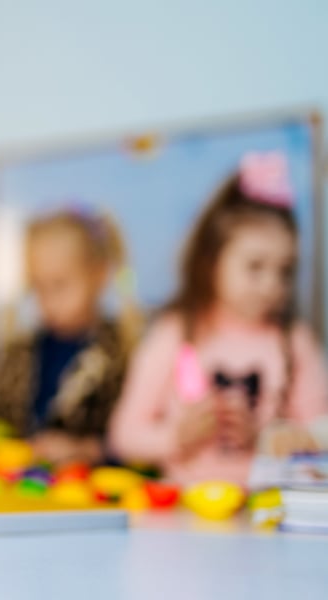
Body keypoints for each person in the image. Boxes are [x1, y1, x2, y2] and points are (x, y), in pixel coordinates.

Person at [108, 152, 328, 485]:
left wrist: (267, 438)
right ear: (212, 261)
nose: (272, 285)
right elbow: (123, 436)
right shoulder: (175, 331)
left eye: (285, 271)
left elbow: (319, 434)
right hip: (182, 514)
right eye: (255, 267)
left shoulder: (295, 339)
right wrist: (176, 437)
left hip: (267, 511)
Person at [0, 206, 140, 466]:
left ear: (99, 275)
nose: (47, 301)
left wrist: (89, 450)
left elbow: (141, 443)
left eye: (59, 285)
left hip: (93, 495)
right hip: (23, 491)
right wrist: (1, 445)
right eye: (38, 287)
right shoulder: (17, 355)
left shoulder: (124, 354)